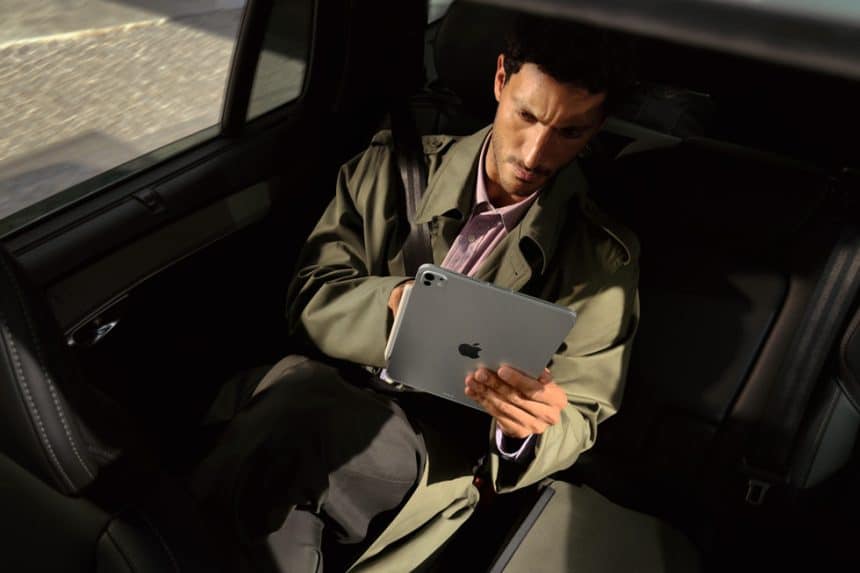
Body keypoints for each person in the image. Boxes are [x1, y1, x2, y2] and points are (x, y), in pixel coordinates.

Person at [192, 12, 639, 573]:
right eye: (526, 115)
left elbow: (582, 409)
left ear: (596, 128)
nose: (534, 154)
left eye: (570, 133)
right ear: (501, 79)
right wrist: (392, 304)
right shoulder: (390, 167)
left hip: (433, 444)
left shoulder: (599, 259)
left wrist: (524, 430)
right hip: (323, 390)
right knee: (274, 471)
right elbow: (310, 295)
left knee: (293, 421)